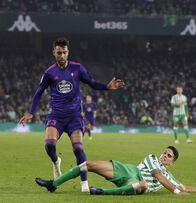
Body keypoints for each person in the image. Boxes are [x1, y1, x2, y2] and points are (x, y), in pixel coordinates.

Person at [19, 38, 125, 192]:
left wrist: (107, 87)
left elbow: (92, 83)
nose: (61, 55)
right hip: (56, 116)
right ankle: (56, 162)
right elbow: (39, 92)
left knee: (78, 148)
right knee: (49, 145)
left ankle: (84, 184)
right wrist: (30, 112)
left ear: (68, 52)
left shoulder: (77, 68)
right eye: (59, 52)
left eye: (64, 52)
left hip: (74, 117)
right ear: (54, 53)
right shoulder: (49, 73)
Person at [35, 146, 196, 195]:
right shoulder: (152, 158)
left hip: (137, 183)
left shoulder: (170, 176)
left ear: (173, 162)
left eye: (169, 156)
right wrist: (176, 191)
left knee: (143, 185)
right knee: (88, 164)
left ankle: (102, 192)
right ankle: (54, 184)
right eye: (165, 152)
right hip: (128, 170)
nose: (164, 156)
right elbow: (159, 177)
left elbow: (185, 188)